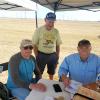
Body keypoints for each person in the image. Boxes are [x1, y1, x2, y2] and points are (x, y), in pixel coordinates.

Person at [32, 12, 62, 80]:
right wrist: (37, 55)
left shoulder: (56, 31)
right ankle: (39, 83)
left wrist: (57, 56)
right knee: (39, 72)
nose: (51, 24)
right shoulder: (38, 30)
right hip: (41, 54)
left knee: (52, 72)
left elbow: (57, 45)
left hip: (52, 55)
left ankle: (51, 82)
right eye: (49, 21)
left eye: (53, 22)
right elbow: (34, 44)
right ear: (45, 20)